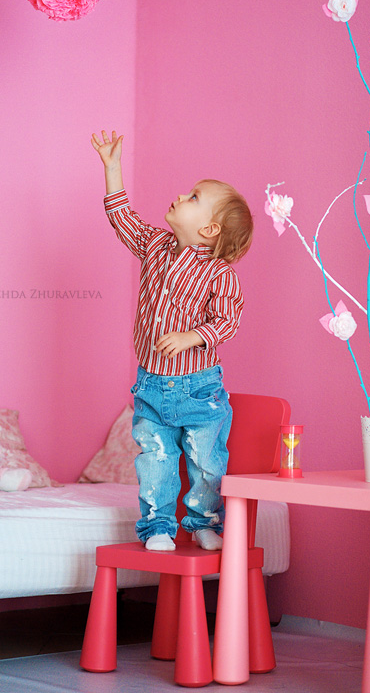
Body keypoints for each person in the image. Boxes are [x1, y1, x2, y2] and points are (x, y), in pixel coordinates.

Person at [92, 130, 253, 551]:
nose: (181, 196)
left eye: (194, 197)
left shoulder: (219, 273)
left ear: (210, 228)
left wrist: (191, 337)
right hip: (151, 384)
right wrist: (112, 168)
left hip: (199, 387)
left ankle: (203, 523)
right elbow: (122, 218)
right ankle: (158, 527)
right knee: (155, 460)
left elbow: (228, 321)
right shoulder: (156, 246)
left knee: (206, 460)